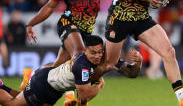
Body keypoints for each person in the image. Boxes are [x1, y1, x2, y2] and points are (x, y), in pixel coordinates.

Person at [0, 35, 143, 106]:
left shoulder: (107, 58)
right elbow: (84, 97)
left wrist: (138, 63)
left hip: (56, 89)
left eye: (100, 52)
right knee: (11, 104)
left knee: (23, 100)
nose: (97, 56)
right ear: (85, 51)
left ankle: (3, 86)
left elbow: (131, 74)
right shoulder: (82, 65)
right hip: (43, 85)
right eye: (93, 53)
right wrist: (98, 86)